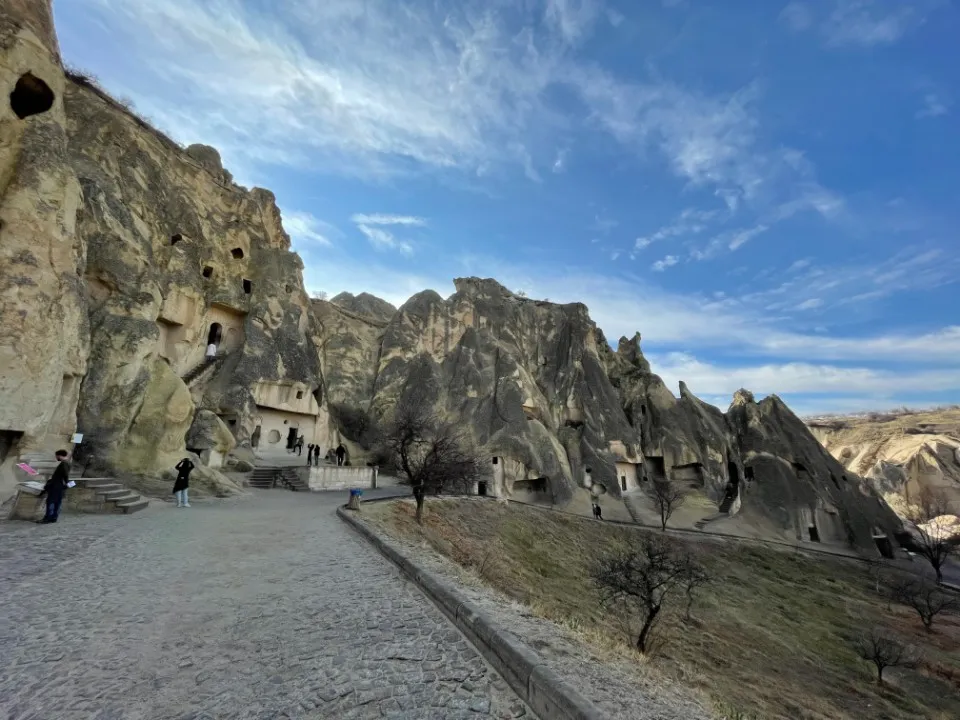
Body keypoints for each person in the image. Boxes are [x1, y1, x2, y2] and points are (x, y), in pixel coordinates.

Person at [38, 450, 71, 524]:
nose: (56, 457)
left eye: (56, 456)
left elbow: (65, 475)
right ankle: (54, 517)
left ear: (59, 455)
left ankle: (48, 518)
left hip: (57, 486)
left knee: (50, 502)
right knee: (57, 502)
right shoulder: (67, 463)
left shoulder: (64, 464)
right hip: (59, 486)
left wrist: (67, 484)